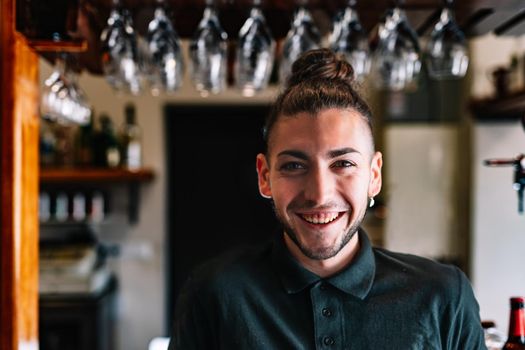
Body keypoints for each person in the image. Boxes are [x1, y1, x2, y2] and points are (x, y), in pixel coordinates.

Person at [168, 48, 486, 349]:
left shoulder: (443, 296)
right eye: (294, 165)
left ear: (374, 175)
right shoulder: (212, 295)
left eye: (343, 164)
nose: (320, 194)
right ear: (264, 176)